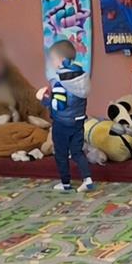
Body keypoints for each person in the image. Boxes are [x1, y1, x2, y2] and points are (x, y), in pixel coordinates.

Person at [38, 39, 94, 192]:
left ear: (61, 60)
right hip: (78, 121)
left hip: (62, 123)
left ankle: (65, 183)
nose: (52, 63)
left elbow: (59, 105)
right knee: (77, 152)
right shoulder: (81, 78)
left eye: (53, 59)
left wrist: (44, 99)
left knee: (61, 154)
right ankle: (87, 179)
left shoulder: (59, 81)